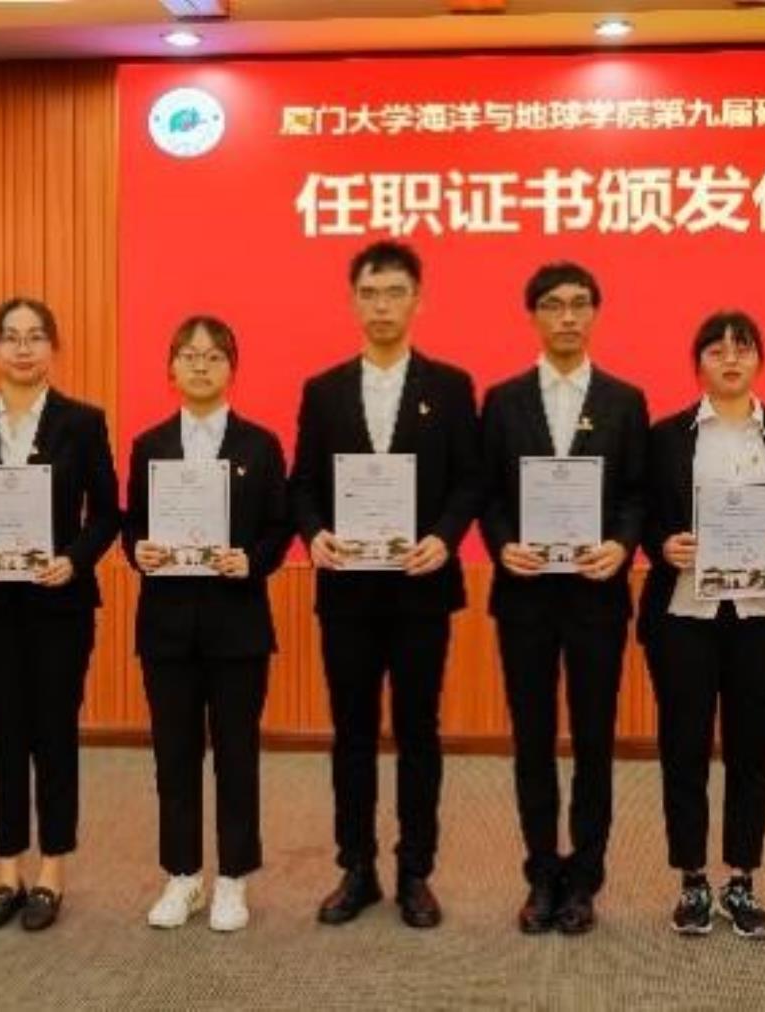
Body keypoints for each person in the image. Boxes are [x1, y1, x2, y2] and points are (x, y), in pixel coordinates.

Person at [288, 240, 482, 929]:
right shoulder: (323, 390)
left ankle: (415, 871)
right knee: (352, 732)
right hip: (347, 591)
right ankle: (357, 867)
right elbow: (303, 484)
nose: (382, 306)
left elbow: (470, 480)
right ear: (353, 302)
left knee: (419, 731)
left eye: (395, 293)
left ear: (418, 301)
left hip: (421, 587)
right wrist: (315, 534)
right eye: (369, 294)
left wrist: (446, 537)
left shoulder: (450, 386)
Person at [0, 297, 120, 933]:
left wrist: (74, 560)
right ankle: (6, 871)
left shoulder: (82, 422)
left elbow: (107, 514)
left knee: (54, 733)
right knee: (3, 735)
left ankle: (51, 872)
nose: (23, 348)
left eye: (36, 336)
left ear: (53, 348)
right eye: (11, 337)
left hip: (59, 606)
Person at [478, 262, 647, 935]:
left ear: (595, 313)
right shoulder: (503, 400)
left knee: (595, 740)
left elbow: (636, 494)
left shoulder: (624, 400)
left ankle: (585, 878)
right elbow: (488, 494)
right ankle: (542, 873)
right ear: (534, 316)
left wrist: (621, 545)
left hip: (595, 597)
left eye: (580, 304)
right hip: (524, 597)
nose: (568, 316)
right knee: (532, 738)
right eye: (553, 305)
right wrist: (501, 545)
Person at [639, 310, 765, 939]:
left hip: (761, 616)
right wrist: (662, 544)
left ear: (759, 360)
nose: (731, 358)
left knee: (751, 750)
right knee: (683, 748)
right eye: (717, 349)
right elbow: (644, 512)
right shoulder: (667, 435)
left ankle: (741, 880)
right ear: (698, 364)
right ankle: (692, 880)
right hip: (685, 614)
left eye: (743, 348)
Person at [126, 316, 291, 933]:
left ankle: (233, 879)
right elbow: (132, 524)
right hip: (166, 628)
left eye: (214, 355)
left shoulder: (260, 445)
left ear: (231, 368)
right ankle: (183, 875)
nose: (201, 365)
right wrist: (138, 549)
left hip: (237, 625)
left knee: (237, 755)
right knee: (174, 756)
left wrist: (253, 560)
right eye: (189, 355)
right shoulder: (149, 445)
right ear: (171, 368)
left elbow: (279, 526)